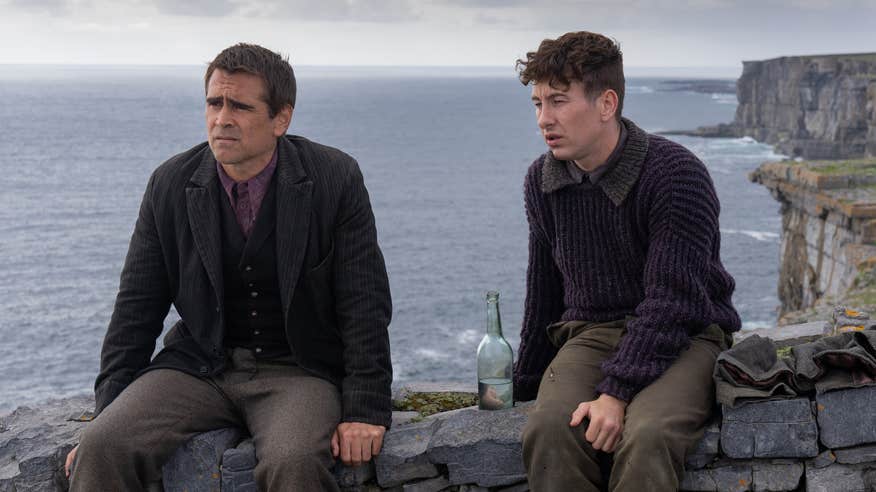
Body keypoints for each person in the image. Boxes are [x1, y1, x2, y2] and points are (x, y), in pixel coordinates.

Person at [65, 43, 392, 492]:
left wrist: (364, 410)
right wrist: (108, 413)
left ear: (281, 118)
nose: (222, 118)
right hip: (198, 365)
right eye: (214, 103)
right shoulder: (171, 183)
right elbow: (136, 308)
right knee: (103, 445)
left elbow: (364, 302)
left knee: (294, 460)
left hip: (298, 370)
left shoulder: (334, 178)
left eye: (240, 105)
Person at [512, 31, 741, 491]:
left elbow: (672, 302)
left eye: (557, 101)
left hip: (686, 335)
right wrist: (526, 388)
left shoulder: (675, 174)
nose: (543, 119)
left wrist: (615, 394)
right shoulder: (543, 179)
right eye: (537, 103)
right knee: (551, 428)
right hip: (591, 333)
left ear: (606, 103)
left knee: (648, 434)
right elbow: (544, 291)